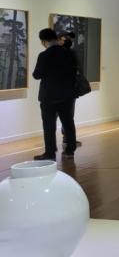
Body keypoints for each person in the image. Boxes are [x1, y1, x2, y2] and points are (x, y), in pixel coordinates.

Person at [32, 28, 78, 160]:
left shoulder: (44, 55)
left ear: (44, 41)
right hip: (67, 95)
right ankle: (70, 150)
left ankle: (50, 152)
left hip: (49, 96)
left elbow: (37, 75)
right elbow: (74, 73)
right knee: (68, 123)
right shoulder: (68, 53)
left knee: (49, 125)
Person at [58, 31, 83, 149]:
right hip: (61, 90)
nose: (67, 41)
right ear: (58, 40)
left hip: (69, 90)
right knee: (65, 116)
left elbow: (78, 69)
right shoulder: (58, 53)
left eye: (68, 39)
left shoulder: (71, 53)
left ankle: (67, 139)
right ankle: (65, 140)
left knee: (68, 116)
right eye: (64, 39)